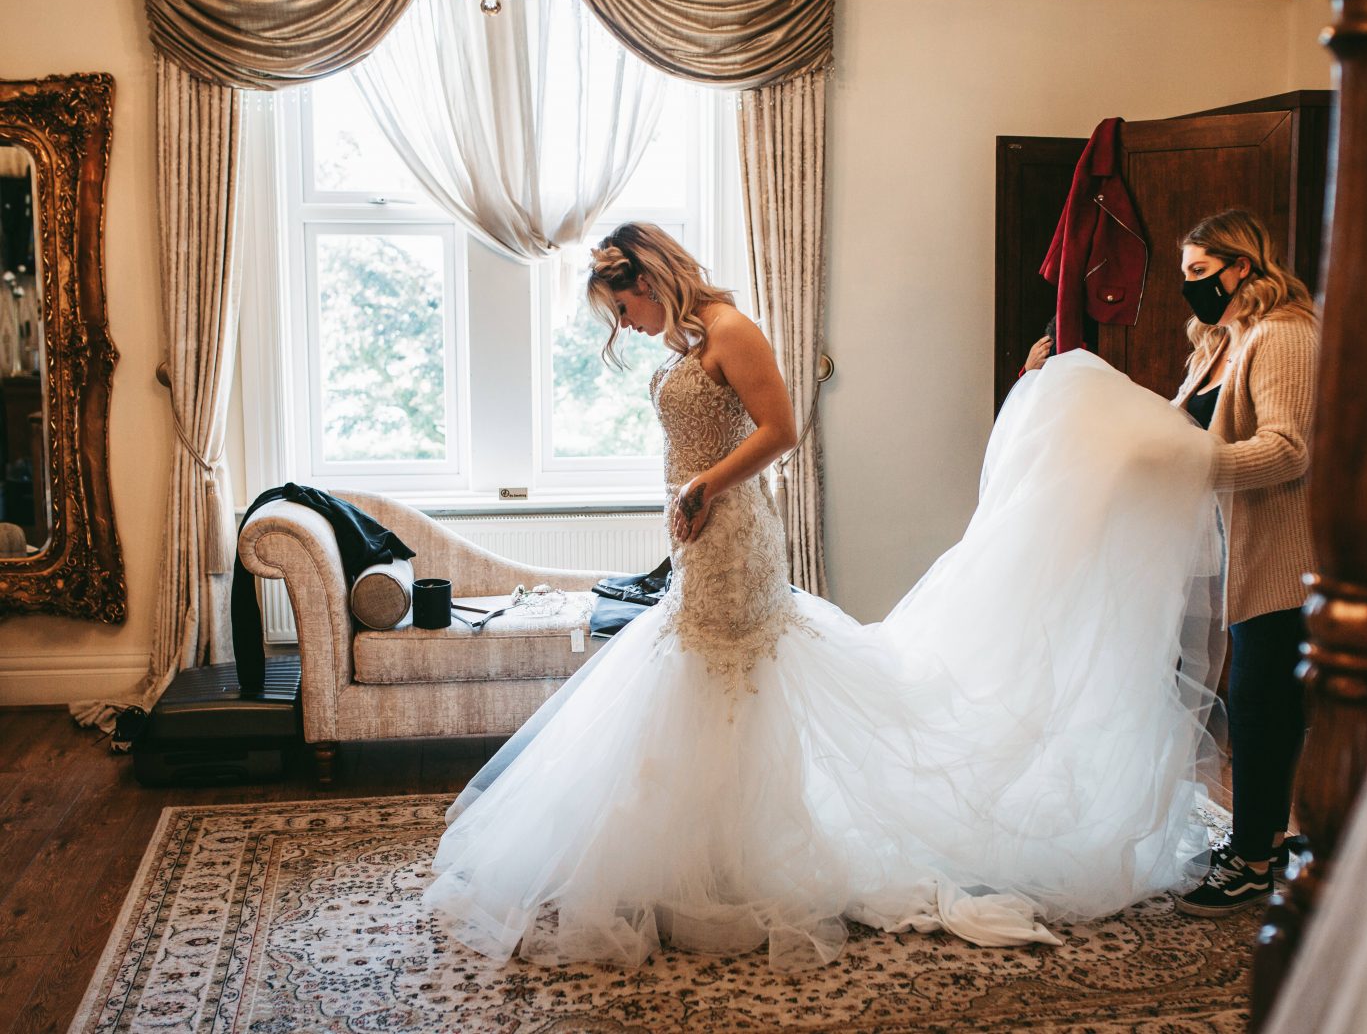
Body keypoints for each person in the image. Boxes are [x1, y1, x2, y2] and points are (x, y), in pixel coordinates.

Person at [422, 221, 1231, 970]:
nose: (624, 326)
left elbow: (780, 431)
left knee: (727, 675)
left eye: (624, 307)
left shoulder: (733, 331)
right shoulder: (691, 338)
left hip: (734, 533)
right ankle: (704, 855)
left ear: (654, 277)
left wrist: (703, 484)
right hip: (702, 529)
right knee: (705, 681)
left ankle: (731, 860)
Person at [1167, 209, 1320, 917]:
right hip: (1231, 549)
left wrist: (1191, 470)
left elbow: (1288, 448)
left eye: (1200, 272)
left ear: (1243, 265)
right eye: (1186, 274)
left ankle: (1256, 859)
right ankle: (1255, 839)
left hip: (1282, 555)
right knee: (1253, 706)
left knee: (1262, 709)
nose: (1191, 287)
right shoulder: (1218, 341)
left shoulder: (1284, 336)